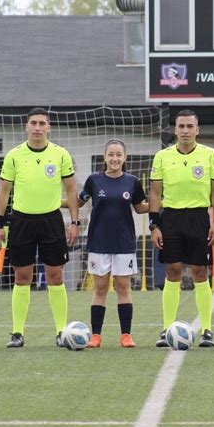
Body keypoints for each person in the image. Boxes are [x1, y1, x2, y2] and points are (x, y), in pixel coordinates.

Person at [0, 107, 79, 348]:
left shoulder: (60, 154)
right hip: (21, 221)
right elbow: (4, 191)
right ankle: (17, 333)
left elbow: (71, 190)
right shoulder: (14, 155)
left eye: (42, 123)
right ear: (26, 126)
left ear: (49, 127)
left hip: (51, 221)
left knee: (56, 275)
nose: (38, 127)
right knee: (22, 277)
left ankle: (61, 331)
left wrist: (74, 222)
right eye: (33, 123)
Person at [149, 109, 214, 348]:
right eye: (181, 126)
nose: (185, 131)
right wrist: (154, 224)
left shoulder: (210, 155)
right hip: (170, 218)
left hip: (199, 217)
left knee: (200, 272)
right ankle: (166, 328)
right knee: (173, 270)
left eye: (190, 127)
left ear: (197, 130)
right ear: (175, 130)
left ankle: (207, 330)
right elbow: (156, 193)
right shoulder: (162, 156)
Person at [65, 139, 148, 348]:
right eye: (111, 154)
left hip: (124, 243)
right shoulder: (94, 180)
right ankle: (96, 336)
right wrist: (50, 202)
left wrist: (166, 202)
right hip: (99, 242)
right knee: (100, 288)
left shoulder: (132, 181)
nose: (115, 159)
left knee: (123, 287)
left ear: (125, 158)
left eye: (119, 155)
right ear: (104, 157)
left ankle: (126, 335)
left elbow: (140, 207)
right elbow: (78, 201)